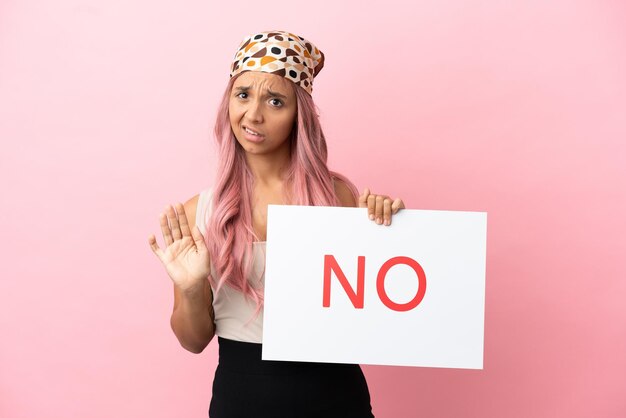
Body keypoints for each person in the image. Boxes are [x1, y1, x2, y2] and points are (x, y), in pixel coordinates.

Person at [148, 30, 405, 418]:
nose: (254, 114)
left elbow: (379, 313)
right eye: (243, 95)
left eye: (275, 100)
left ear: (298, 115)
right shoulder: (197, 212)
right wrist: (190, 287)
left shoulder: (339, 198)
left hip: (337, 400)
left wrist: (390, 229)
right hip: (240, 402)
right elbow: (193, 341)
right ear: (228, 103)